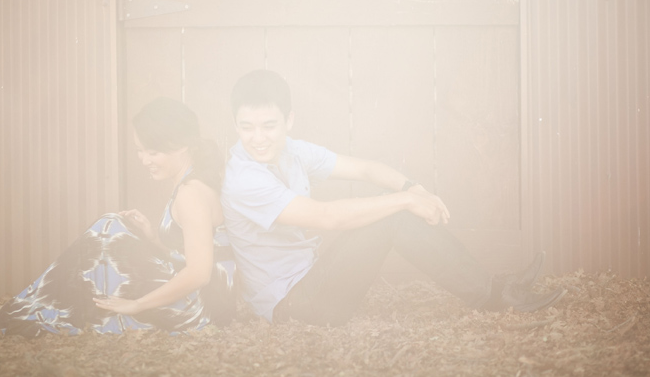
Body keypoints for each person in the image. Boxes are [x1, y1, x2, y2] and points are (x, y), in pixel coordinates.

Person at [220, 69, 565, 326]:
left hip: (314, 284)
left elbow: (366, 169)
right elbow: (328, 217)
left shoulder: (292, 152)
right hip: (293, 308)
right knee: (394, 213)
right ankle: (494, 296)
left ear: (289, 121)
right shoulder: (244, 179)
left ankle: (495, 288)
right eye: (247, 127)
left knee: (396, 205)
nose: (258, 138)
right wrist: (404, 201)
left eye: (268, 125)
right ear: (235, 125)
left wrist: (413, 189)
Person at [0, 97, 236, 337]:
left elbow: (199, 273)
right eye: (140, 151)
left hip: (201, 308)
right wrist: (153, 238)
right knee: (110, 229)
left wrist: (137, 304)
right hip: (205, 300)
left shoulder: (191, 194)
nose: (145, 160)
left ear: (182, 146)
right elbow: (193, 255)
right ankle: (24, 310)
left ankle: (21, 312)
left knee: (107, 229)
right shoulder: (190, 183)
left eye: (152, 152)